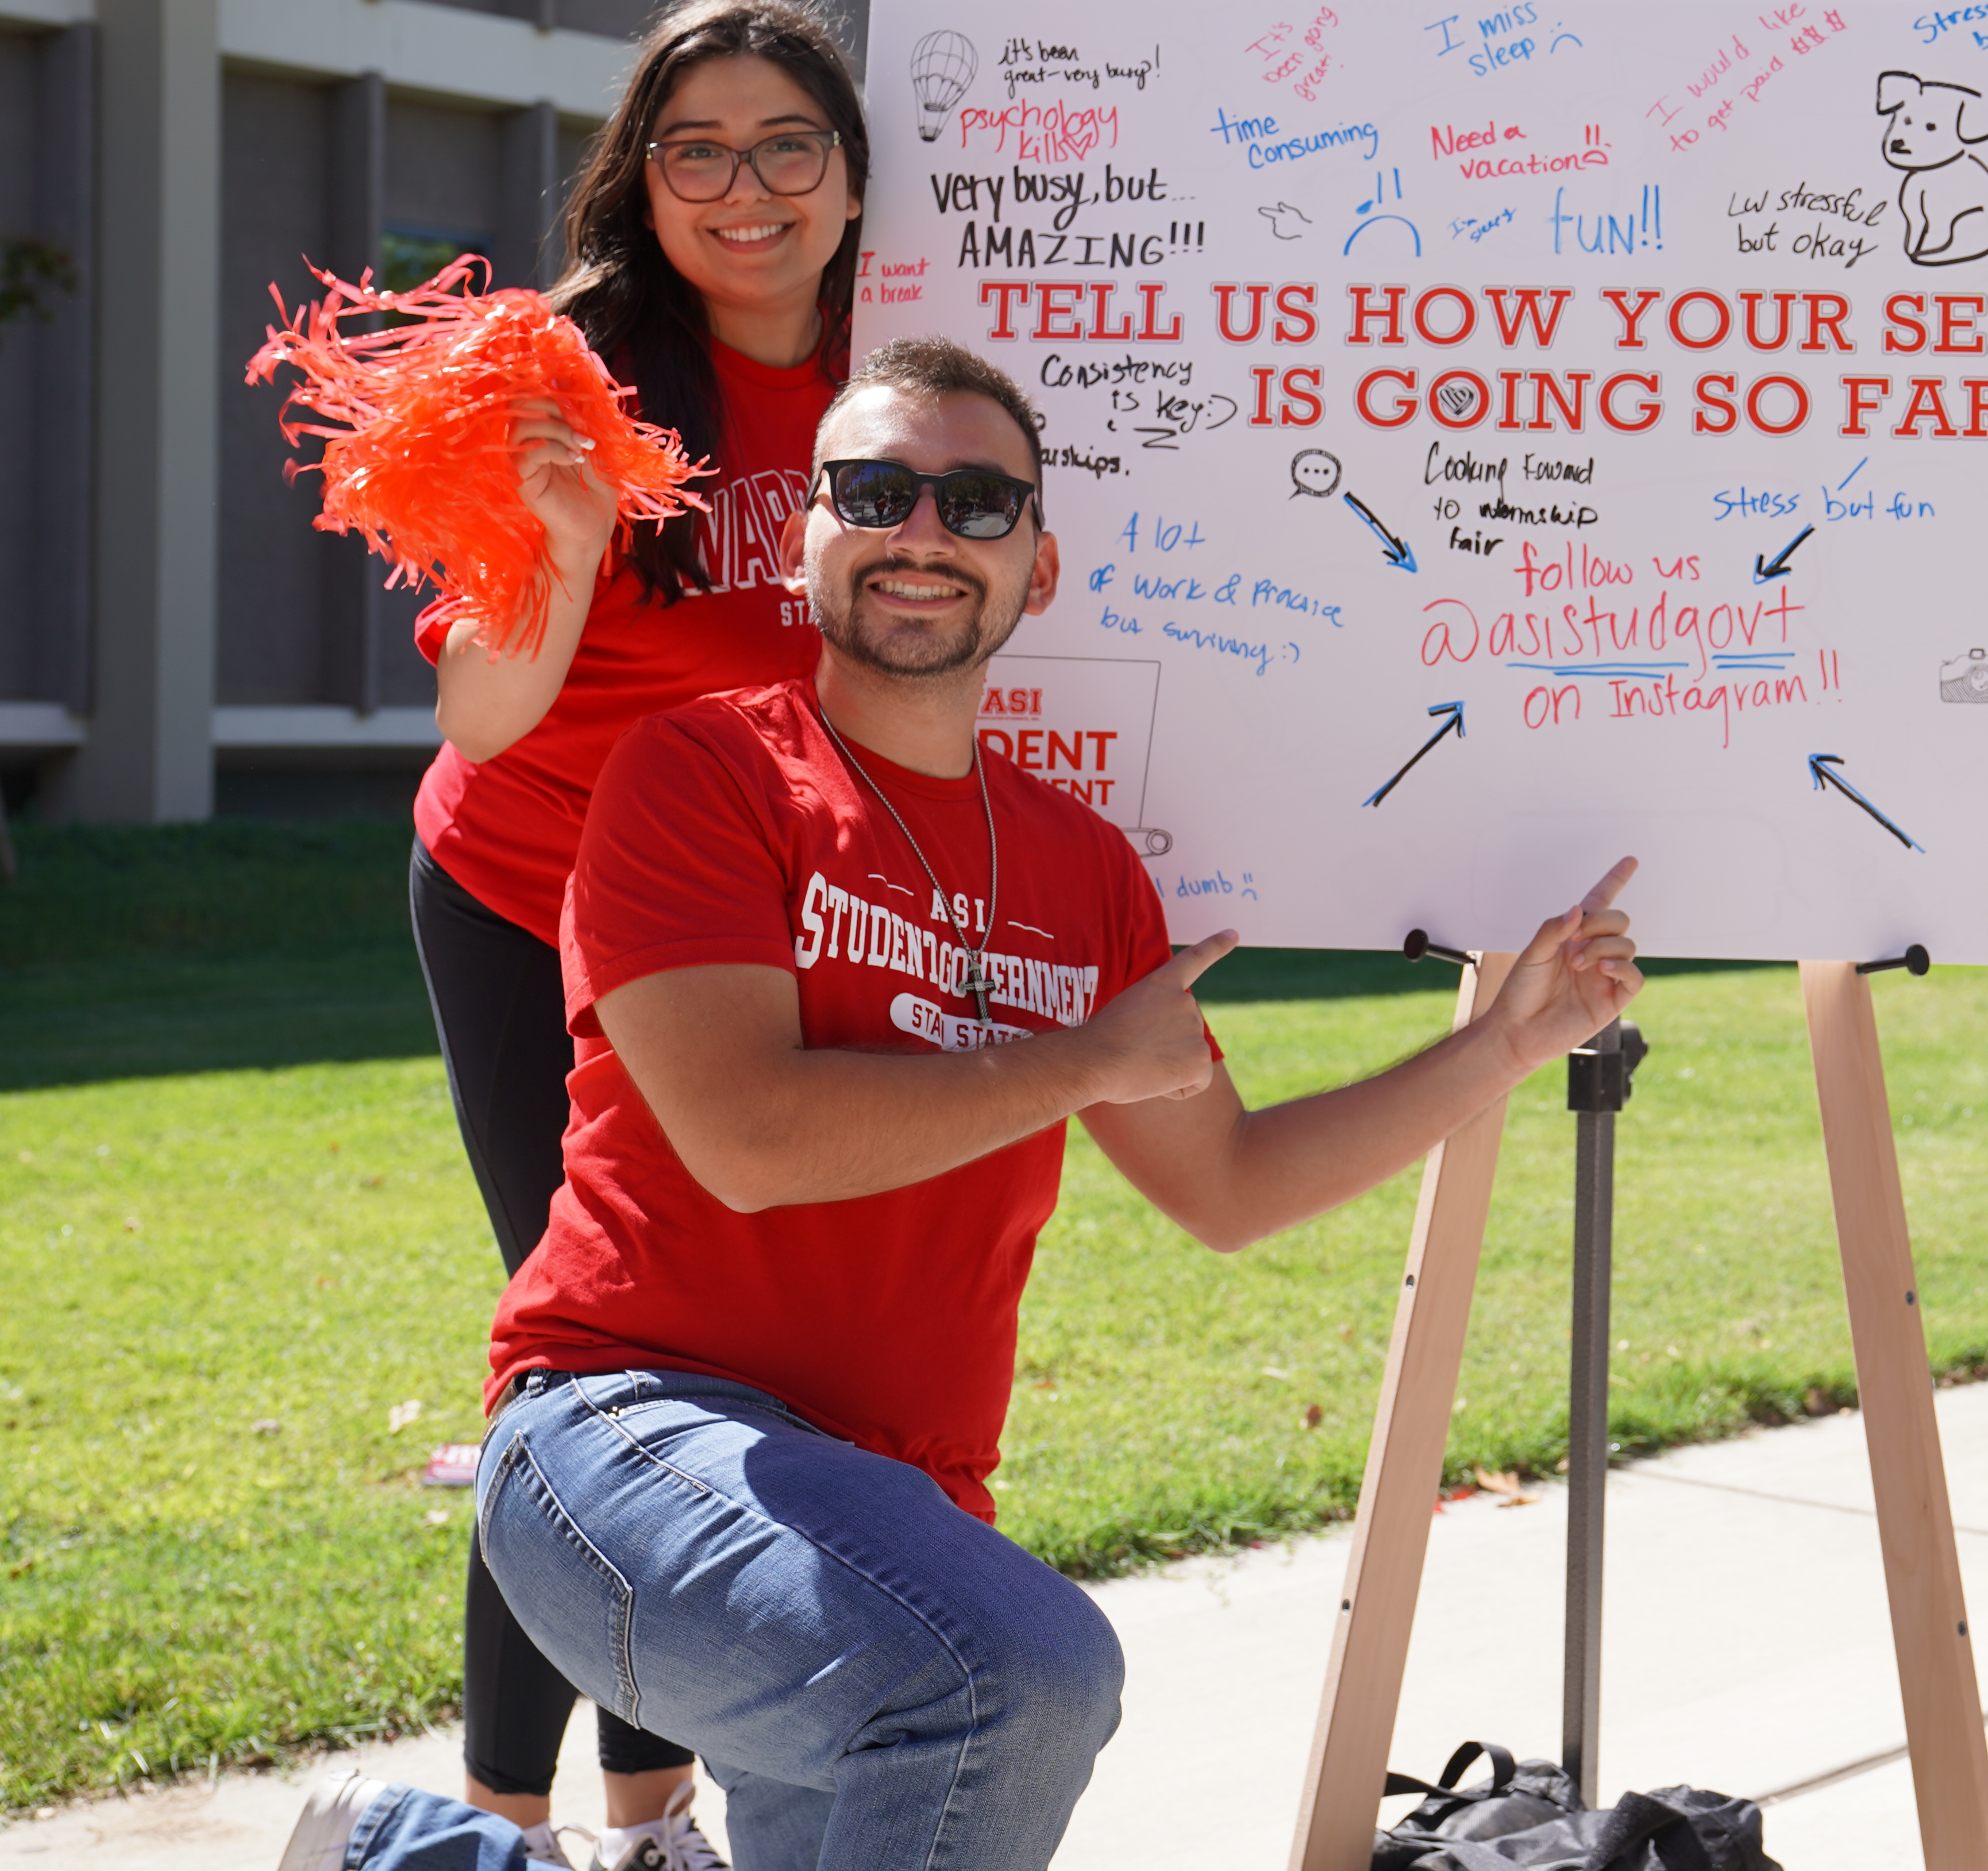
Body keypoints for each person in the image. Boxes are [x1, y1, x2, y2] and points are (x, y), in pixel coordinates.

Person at [288, 338, 1643, 1871]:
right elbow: (749, 1144)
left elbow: (1232, 1184)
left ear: (1038, 566)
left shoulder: (1084, 872)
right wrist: (1075, 1062)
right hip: (620, 1443)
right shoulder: (698, 775)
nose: (923, 531)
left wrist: (1508, 1048)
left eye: (976, 500)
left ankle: (428, 1859)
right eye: (875, 491)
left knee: (977, 1696)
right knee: (1023, 1675)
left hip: (888, 1512)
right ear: (807, 537)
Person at [402, 0, 868, 1871]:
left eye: (786, 146)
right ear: (639, 179)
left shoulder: (923, 358)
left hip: (747, 920)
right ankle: (502, 1832)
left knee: (729, 1356)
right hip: (528, 897)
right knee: (588, 1365)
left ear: (852, 174)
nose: (742, 189)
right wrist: (572, 550)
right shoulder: (563, 372)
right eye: (696, 151)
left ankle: (653, 1810)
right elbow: (480, 712)